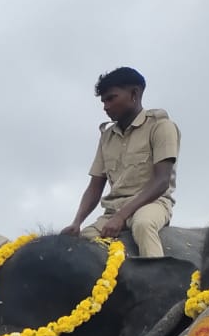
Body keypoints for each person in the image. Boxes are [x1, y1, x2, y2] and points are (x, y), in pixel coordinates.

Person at [62, 66, 179, 258]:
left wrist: (121, 216)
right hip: (112, 211)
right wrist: (77, 222)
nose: (106, 107)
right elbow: (95, 186)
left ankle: (158, 284)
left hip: (151, 205)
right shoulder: (107, 136)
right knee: (83, 243)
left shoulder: (161, 126)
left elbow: (161, 181)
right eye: (103, 101)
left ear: (134, 94)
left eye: (111, 98)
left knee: (143, 226)